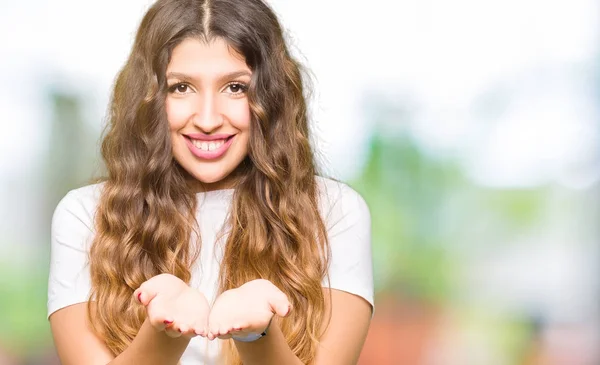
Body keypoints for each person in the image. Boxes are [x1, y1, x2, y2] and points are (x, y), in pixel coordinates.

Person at [47, 0, 373, 364]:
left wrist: (258, 336)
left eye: (235, 87)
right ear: (149, 98)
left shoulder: (334, 213)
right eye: (181, 87)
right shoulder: (85, 216)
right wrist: (164, 334)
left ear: (271, 97)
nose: (207, 119)